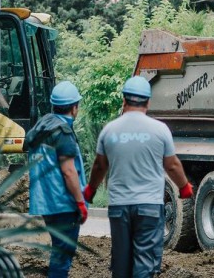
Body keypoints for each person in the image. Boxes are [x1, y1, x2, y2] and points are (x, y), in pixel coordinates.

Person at [83, 75, 193, 278]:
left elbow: (100, 165)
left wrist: (90, 190)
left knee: (121, 264)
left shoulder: (110, 130)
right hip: (149, 207)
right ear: (148, 102)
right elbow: (172, 165)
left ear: (124, 100)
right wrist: (184, 186)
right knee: (145, 263)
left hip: (119, 207)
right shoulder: (160, 130)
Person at [25, 81, 89, 278]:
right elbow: (69, 172)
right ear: (74, 107)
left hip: (46, 203)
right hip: (64, 205)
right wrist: (80, 202)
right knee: (62, 257)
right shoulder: (63, 132)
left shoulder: (41, 126)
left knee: (58, 251)